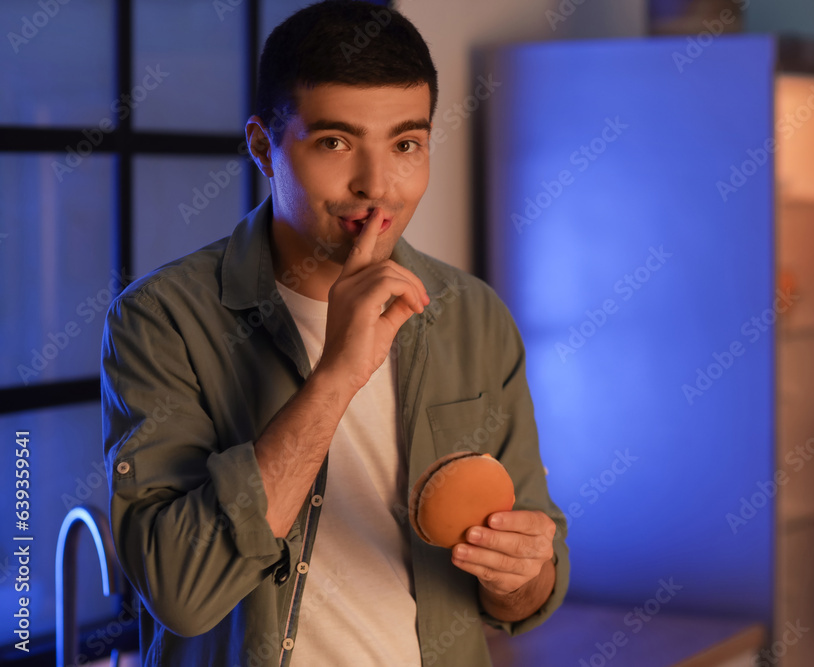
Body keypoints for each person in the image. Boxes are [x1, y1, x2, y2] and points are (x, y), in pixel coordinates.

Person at [100, 1, 569, 665]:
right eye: (335, 143)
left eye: (406, 144)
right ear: (263, 146)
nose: (378, 186)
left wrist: (521, 572)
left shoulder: (474, 315)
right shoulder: (160, 319)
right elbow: (181, 592)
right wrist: (338, 373)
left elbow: (528, 594)